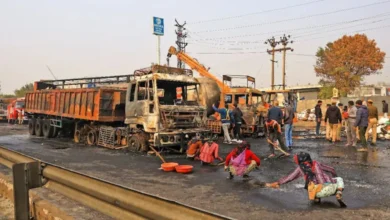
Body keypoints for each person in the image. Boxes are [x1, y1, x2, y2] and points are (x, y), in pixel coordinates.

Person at [265, 152, 345, 207]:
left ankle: (316, 199)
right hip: (331, 188)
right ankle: (339, 192)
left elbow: (289, 178)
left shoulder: (300, 168)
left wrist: (278, 183)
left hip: (317, 192)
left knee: (311, 184)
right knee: (339, 179)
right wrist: (334, 178)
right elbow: (331, 170)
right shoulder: (316, 163)